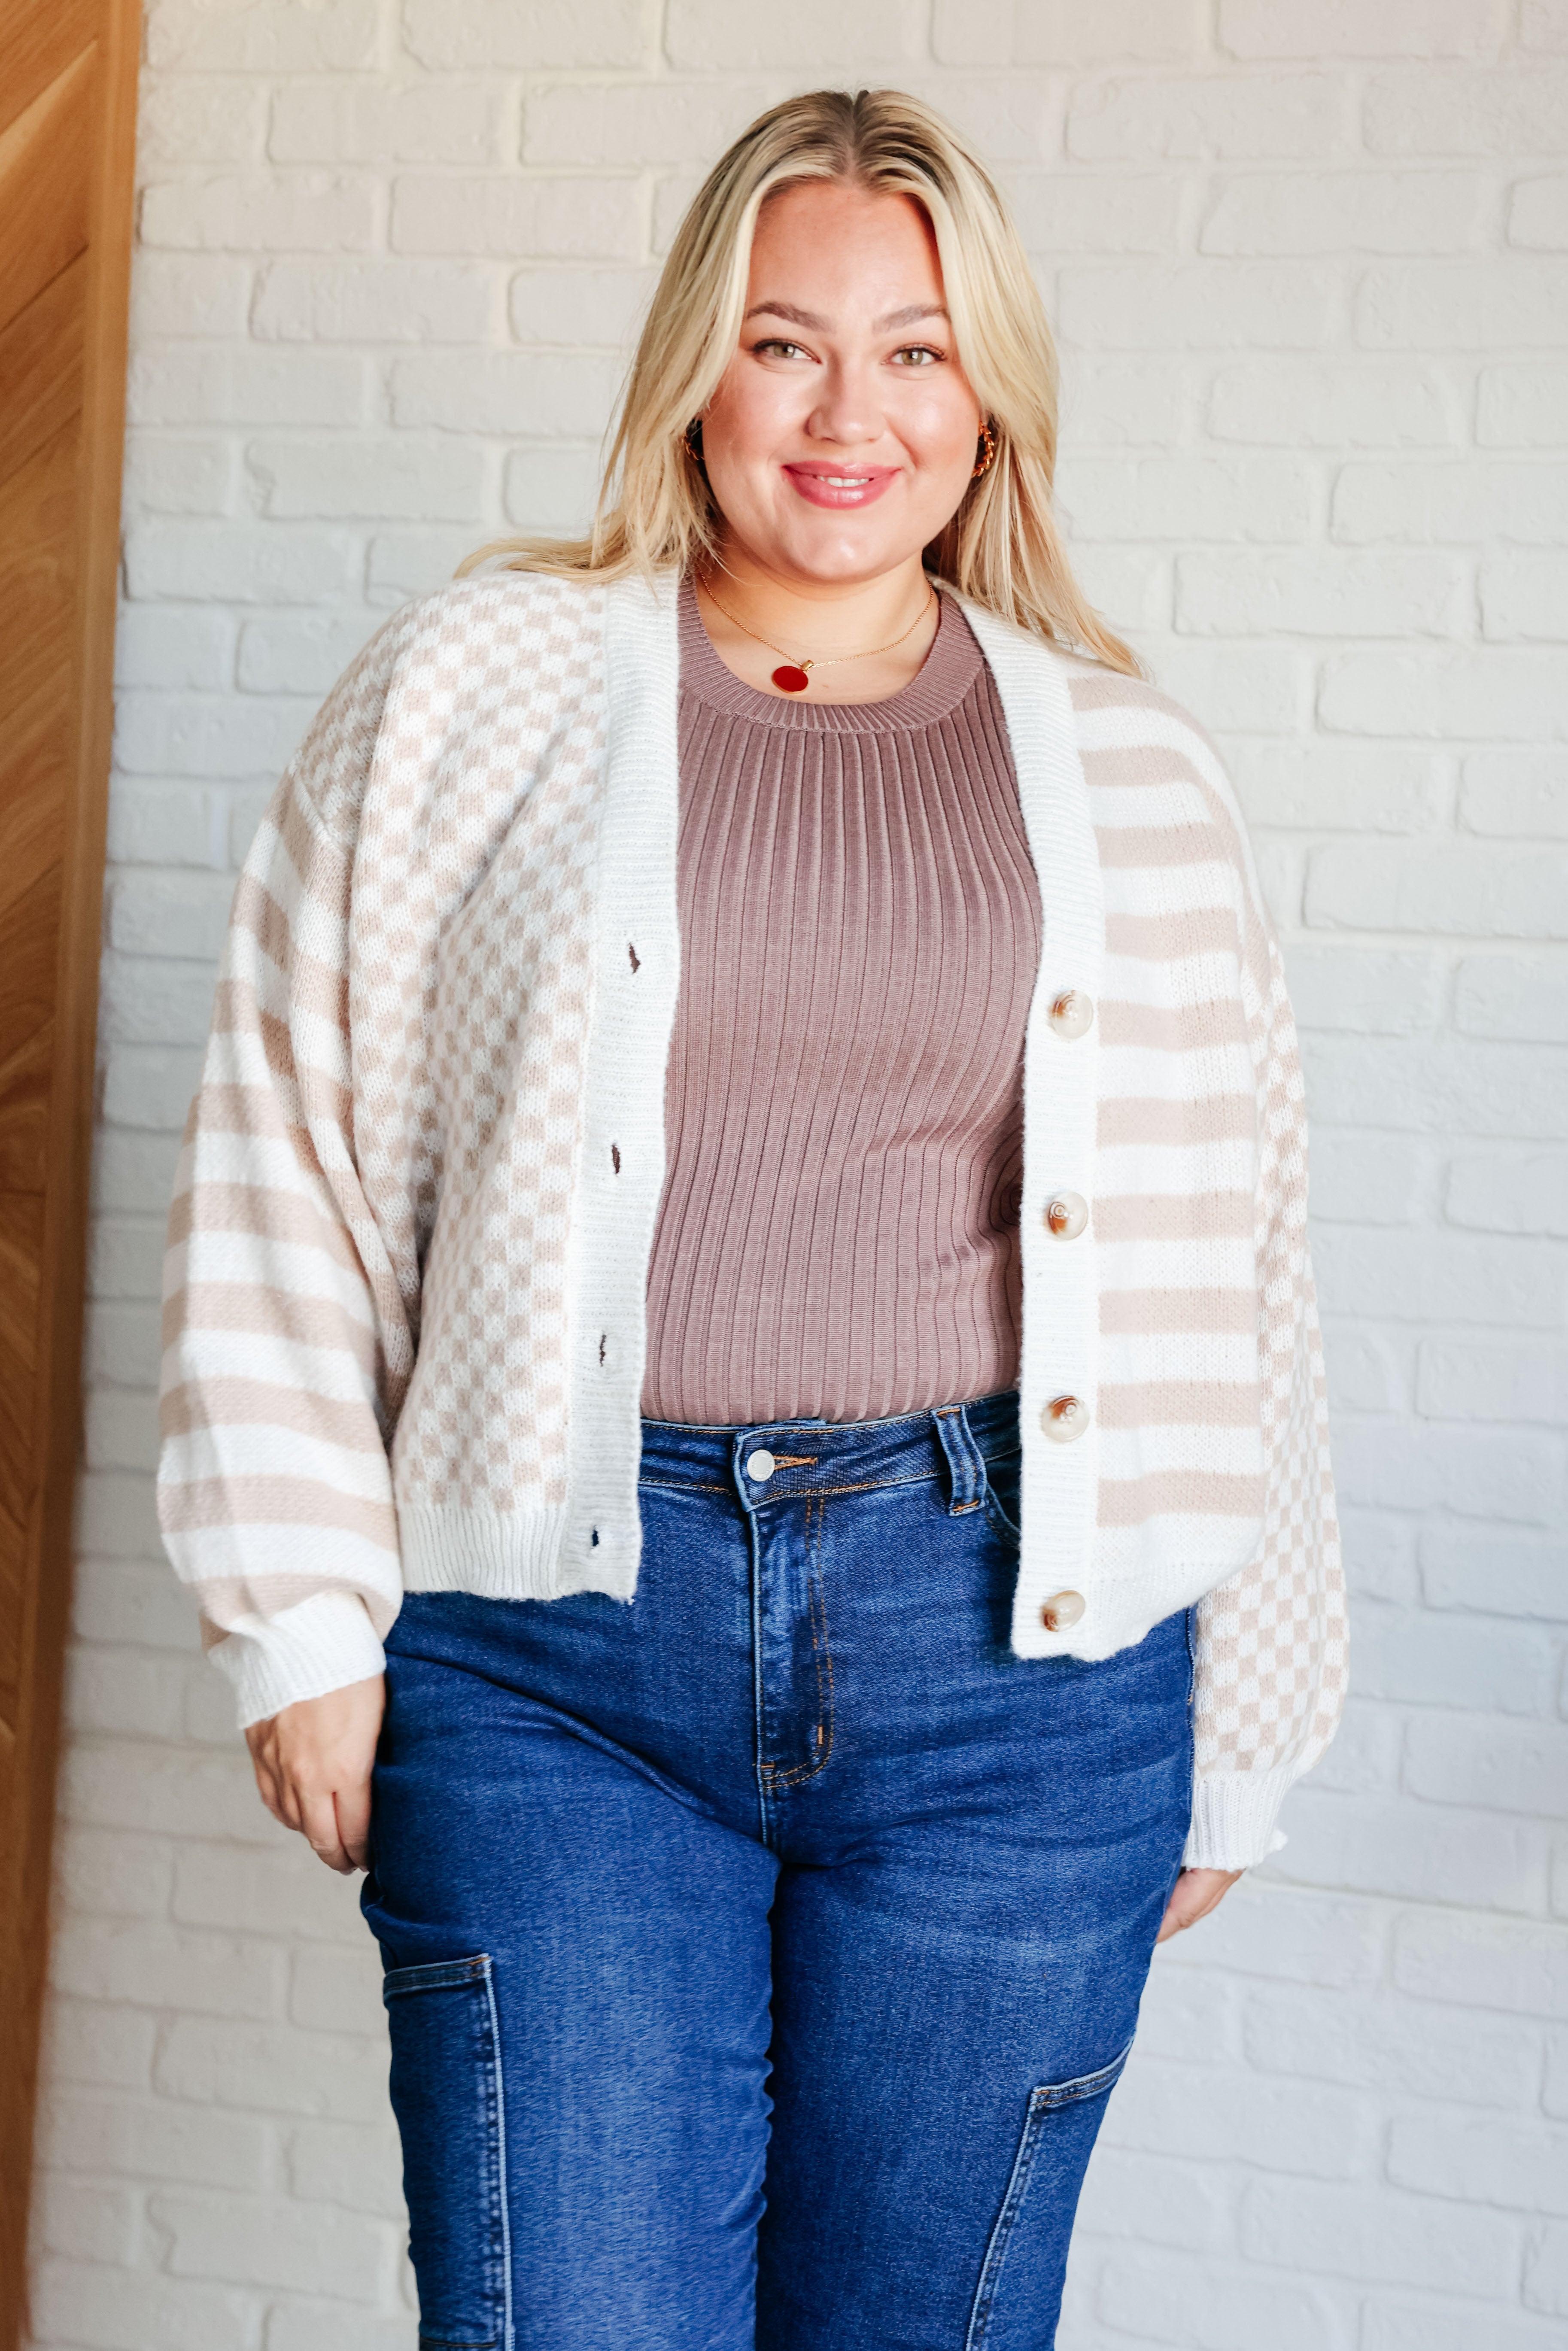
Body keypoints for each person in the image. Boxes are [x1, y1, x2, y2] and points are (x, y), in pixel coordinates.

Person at [157, 86, 1346, 2351]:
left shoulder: (1127, 768)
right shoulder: (476, 684)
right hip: (551, 1672)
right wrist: (299, 1608)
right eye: (784, 341)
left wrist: (1252, 1716)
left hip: (1015, 1675)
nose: (846, 411)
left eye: (913, 349)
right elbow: (282, 1136)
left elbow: (1241, 1245)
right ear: (693, 365)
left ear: (986, 401)